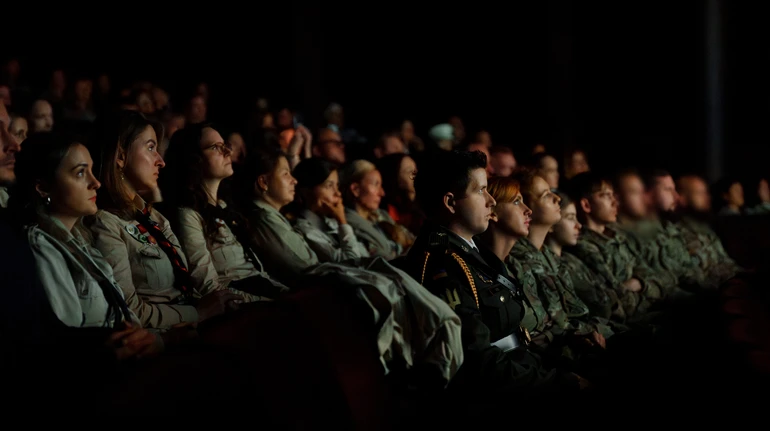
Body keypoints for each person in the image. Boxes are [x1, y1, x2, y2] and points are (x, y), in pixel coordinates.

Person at [403, 150, 586, 414]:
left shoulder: (472, 251)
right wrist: (561, 382)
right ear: (451, 202)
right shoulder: (442, 266)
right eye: (481, 191)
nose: (491, 201)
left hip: (525, 368)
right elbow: (481, 364)